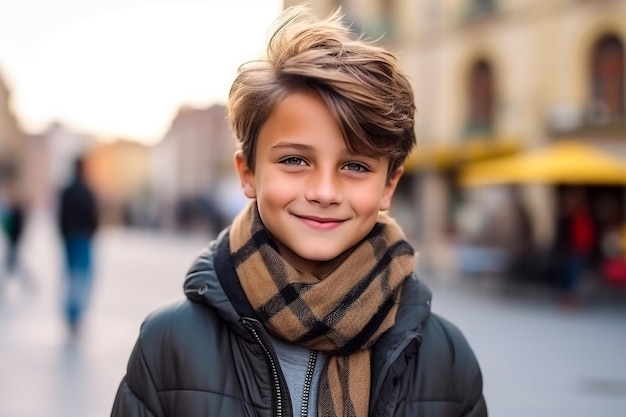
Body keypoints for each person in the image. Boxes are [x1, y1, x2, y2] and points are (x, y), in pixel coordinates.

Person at [111, 6, 487, 417]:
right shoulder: (170, 344)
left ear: (388, 186)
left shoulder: (446, 360)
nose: (324, 192)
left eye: (356, 166)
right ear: (248, 173)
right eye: (294, 160)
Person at [58, 156, 99, 333]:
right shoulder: (87, 191)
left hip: (69, 239)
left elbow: (60, 217)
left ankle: (70, 314)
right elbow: (94, 217)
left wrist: (64, 236)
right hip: (82, 238)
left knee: (71, 277)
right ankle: (76, 315)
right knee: (81, 278)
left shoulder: (66, 191)